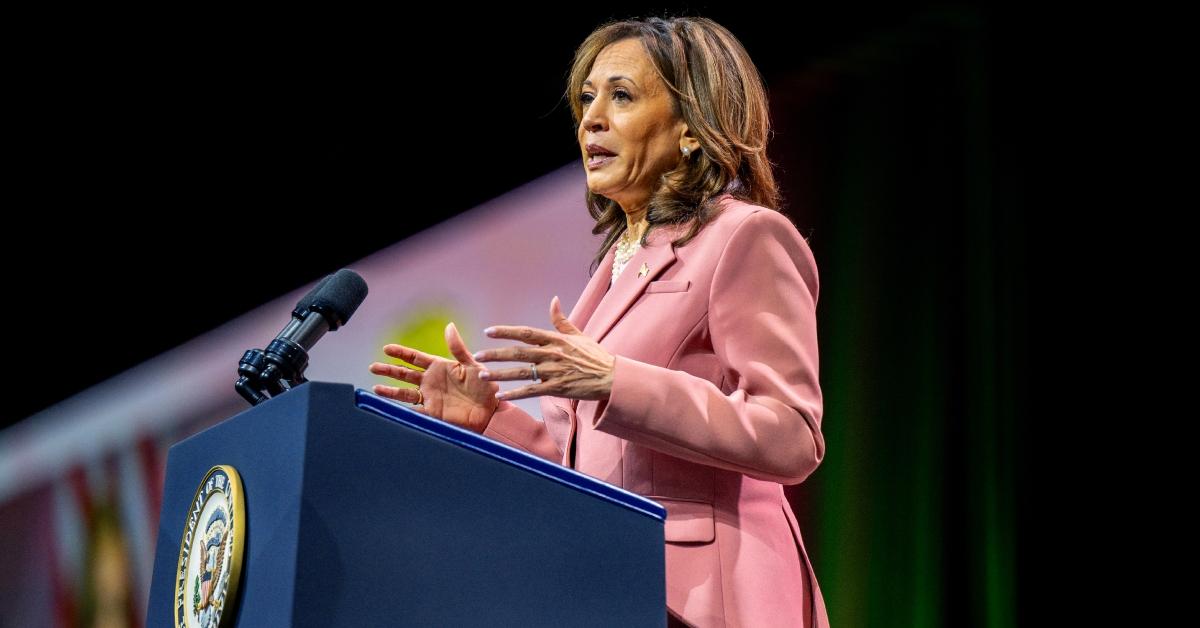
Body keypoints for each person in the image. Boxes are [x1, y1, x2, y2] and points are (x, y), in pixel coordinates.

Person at [370, 16, 828, 628]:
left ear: (691, 129)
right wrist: (492, 421)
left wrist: (618, 380)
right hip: (612, 587)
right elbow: (592, 464)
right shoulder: (610, 271)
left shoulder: (744, 236)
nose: (590, 119)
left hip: (709, 597)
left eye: (621, 96)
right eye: (587, 99)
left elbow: (792, 435)